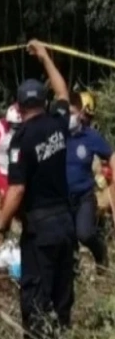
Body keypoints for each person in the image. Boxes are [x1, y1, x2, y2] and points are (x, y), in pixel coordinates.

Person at [0, 40, 75, 339]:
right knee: (62, 290)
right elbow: (64, 93)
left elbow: (17, 190)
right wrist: (46, 58)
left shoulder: (21, 141)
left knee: (36, 293)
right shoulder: (58, 124)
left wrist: (0, 227)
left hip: (40, 228)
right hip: (65, 223)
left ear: (19, 108)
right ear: (44, 101)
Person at [65, 90, 113, 272]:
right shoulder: (57, 134)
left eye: (72, 113)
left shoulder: (91, 137)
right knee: (67, 238)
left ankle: (101, 254)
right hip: (62, 198)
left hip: (84, 196)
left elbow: (111, 156)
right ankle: (72, 269)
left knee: (84, 234)